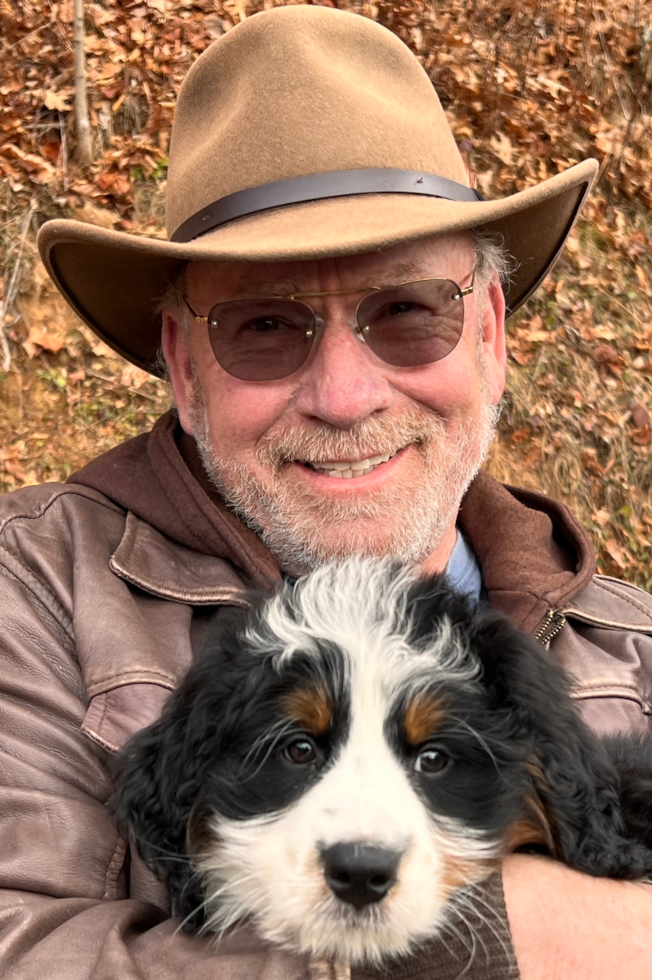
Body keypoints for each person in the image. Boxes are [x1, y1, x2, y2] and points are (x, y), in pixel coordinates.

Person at [1, 5, 650, 979]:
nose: (345, 397)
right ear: (181, 361)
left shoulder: (635, 644)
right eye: (263, 327)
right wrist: (481, 930)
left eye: (406, 312)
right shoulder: (33, 585)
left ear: (489, 333)